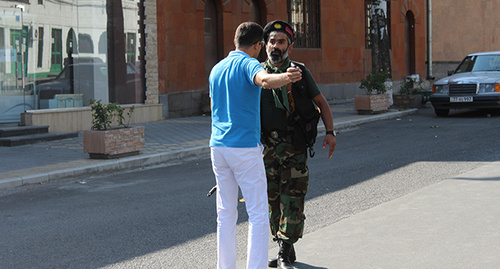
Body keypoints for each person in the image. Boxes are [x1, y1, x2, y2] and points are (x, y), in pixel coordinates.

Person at [209, 21, 302, 269]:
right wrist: (285, 76)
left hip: (218, 146)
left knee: (225, 214)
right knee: (259, 214)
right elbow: (263, 80)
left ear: (235, 41)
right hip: (244, 148)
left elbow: (213, 108)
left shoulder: (216, 69)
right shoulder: (248, 63)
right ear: (259, 45)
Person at [260, 20, 337, 268]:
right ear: (265, 45)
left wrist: (331, 132)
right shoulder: (258, 72)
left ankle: (284, 250)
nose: (275, 46)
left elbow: (321, 102)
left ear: (289, 45)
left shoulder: (300, 71)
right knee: (271, 198)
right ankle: (284, 245)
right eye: (272, 41)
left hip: (294, 145)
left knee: (292, 197)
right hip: (267, 147)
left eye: (281, 42)